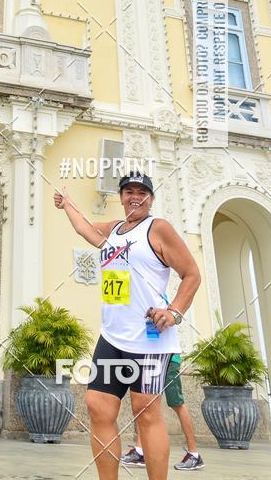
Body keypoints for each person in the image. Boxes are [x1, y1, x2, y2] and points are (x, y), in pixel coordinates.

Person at [54, 172, 201, 480]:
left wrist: (174, 311)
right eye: (129, 191)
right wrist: (68, 204)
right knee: (97, 406)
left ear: (150, 198)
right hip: (113, 336)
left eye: (142, 192)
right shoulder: (114, 230)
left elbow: (191, 274)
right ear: (120, 197)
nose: (135, 196)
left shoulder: (158, 228)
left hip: (149, 337)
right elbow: (84, 228)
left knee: (145, 411)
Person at [121, 353, 205, 471]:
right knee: (145, 404)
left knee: (177, 403)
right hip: (151, 359)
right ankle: (140, 452)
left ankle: (194, 455)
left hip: (169, 360)